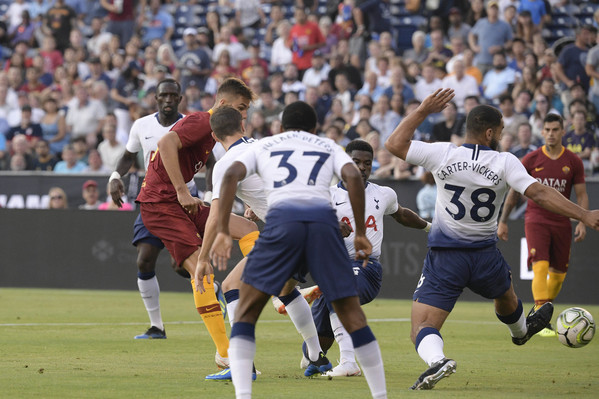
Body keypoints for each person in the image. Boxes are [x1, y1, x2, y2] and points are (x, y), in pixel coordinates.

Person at [384, 89, 599, 390]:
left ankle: (438, 361)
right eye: (499, 131)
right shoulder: (505, 161)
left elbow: (393, 144)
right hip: (486, 256)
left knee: (422, 327)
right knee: (506, 296)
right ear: (489, 133)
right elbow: (538, 193)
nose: (500, 136)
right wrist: (583, 214)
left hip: (446, 257)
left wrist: (423, 110)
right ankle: (521, 331)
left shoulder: (443, 154)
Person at [208, 101, 387, 399]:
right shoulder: (327, 145)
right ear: (315, 128)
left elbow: (229, 176)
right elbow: (354, 177)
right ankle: (379, 395)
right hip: (322, 226)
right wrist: (358, 232)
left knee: (246, 311)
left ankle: (243, 395)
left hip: (282, 226)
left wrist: (225, 232)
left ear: (280, 127)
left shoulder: (265, 145)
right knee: (351, 315)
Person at [198, 105, 332, 381]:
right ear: (243, 127)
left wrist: (202, 258)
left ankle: (242, 365)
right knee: (284, 289)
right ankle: (318, 358)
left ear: (213, 136)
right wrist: (258, 207)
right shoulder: (269, 146)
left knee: (231, 286)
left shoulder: (226, 164)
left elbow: (215, 216)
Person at [135, 77, 258, 372]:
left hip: (182, 202)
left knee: (249, 231)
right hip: (161, 204)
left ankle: (269, 287)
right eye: (241, 108)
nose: (243, 116)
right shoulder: (203, 121)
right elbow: (166, 142)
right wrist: (181, 190)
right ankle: (225, 353)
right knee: (201, 270)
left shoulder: (215, 133)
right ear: (224, 103)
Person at [299, 139, 430, 378]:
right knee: (314, 347)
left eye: (367, 163)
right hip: (333, 267)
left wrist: (429, 228)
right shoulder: (326, 196)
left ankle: (349, 362)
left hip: (366, 268)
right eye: (355, 162)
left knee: (342, 290)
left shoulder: (384, 193)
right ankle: (317, 357)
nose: (361, 167)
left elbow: (401, 215)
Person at [498, 113, 589, 336]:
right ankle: (540, 316)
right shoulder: (531, 159)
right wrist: (503, 221)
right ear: (543, 132)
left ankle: (540, 312)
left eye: (555, 130)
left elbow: (582, 194)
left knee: (558, 274)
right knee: (539, 265)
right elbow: (513, 194)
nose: (550, 134)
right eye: (547, 130)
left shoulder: (573, 161)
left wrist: (583, 220)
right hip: (536, 219)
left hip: (562, 222)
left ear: (562, 131)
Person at [109, 79, 186, 340]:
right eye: (163, 95)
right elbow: (129, 156)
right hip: (152, 200)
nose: (167, 100)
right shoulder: (141, 125)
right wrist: (114, 176)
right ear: (155, 97)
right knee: (144, 259)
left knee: (181, 265)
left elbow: (210, 162)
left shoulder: (190, 126)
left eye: (172, 95)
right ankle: (157, 326)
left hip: (182, 201)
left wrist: (209, 194)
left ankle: (216, 289)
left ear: (180, 98)